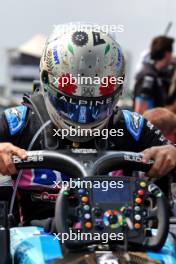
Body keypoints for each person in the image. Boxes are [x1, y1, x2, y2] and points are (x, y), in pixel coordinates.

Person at [0, 23, 175, 225]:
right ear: (47, 81)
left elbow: (169, 154)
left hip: (114, 243)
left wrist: (171, 153)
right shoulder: (19, 122)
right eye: (71, 104)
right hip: (33, 244)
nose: (83, 118)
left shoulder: (129, 126)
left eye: (95, 107)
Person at [133, 36, 176, 114]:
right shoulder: (148, 77)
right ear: (167, 54)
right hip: (149, 126)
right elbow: (140, 112)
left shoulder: (156, 75)